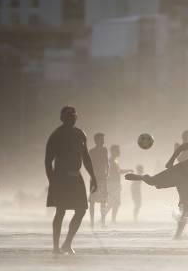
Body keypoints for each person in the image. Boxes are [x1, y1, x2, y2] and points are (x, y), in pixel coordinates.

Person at [126, 124, 188, 239]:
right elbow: (181, 147)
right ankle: (142, 177)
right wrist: (171, 161)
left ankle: (177, 236)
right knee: (152, 182)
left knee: (187, 208)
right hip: (178, 171)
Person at [45, 106, 97, 254]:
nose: (72, 118)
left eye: (74, 115)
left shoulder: (81, 134)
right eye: (68, 115)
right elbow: (48, 161)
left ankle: (67, 243)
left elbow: (86, 157)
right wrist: (52, 181)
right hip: (60, 177)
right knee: (60, 211)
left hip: (76, 176)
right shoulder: (56, 135)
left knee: (81, 210)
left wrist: (93, 177)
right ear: (62, 118)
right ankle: (55, 247)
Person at [107, 144, 132, 224]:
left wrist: (128, 171)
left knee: (114, 203)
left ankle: (110, 219)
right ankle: (109, 219)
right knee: (114, 203)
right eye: (118, 150)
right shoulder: (110, 161)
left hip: (115, 184)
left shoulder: (114, 161)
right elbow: (113, 172)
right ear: (113, 151)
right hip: (113, 184)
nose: (119, 152)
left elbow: (119, 171)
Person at [88, 133, 109, 228]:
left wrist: (107, 173)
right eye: (101, 139)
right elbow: (89, 164)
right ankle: (92, 222)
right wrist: (92, 175)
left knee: (103, 201)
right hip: (94, 178)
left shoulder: (105, 150)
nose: (103, 141)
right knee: (92, 201)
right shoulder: (91, 151)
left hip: (103, 178)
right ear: (96, 140)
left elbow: (106, 162)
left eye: (103, 139)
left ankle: (103, 223)